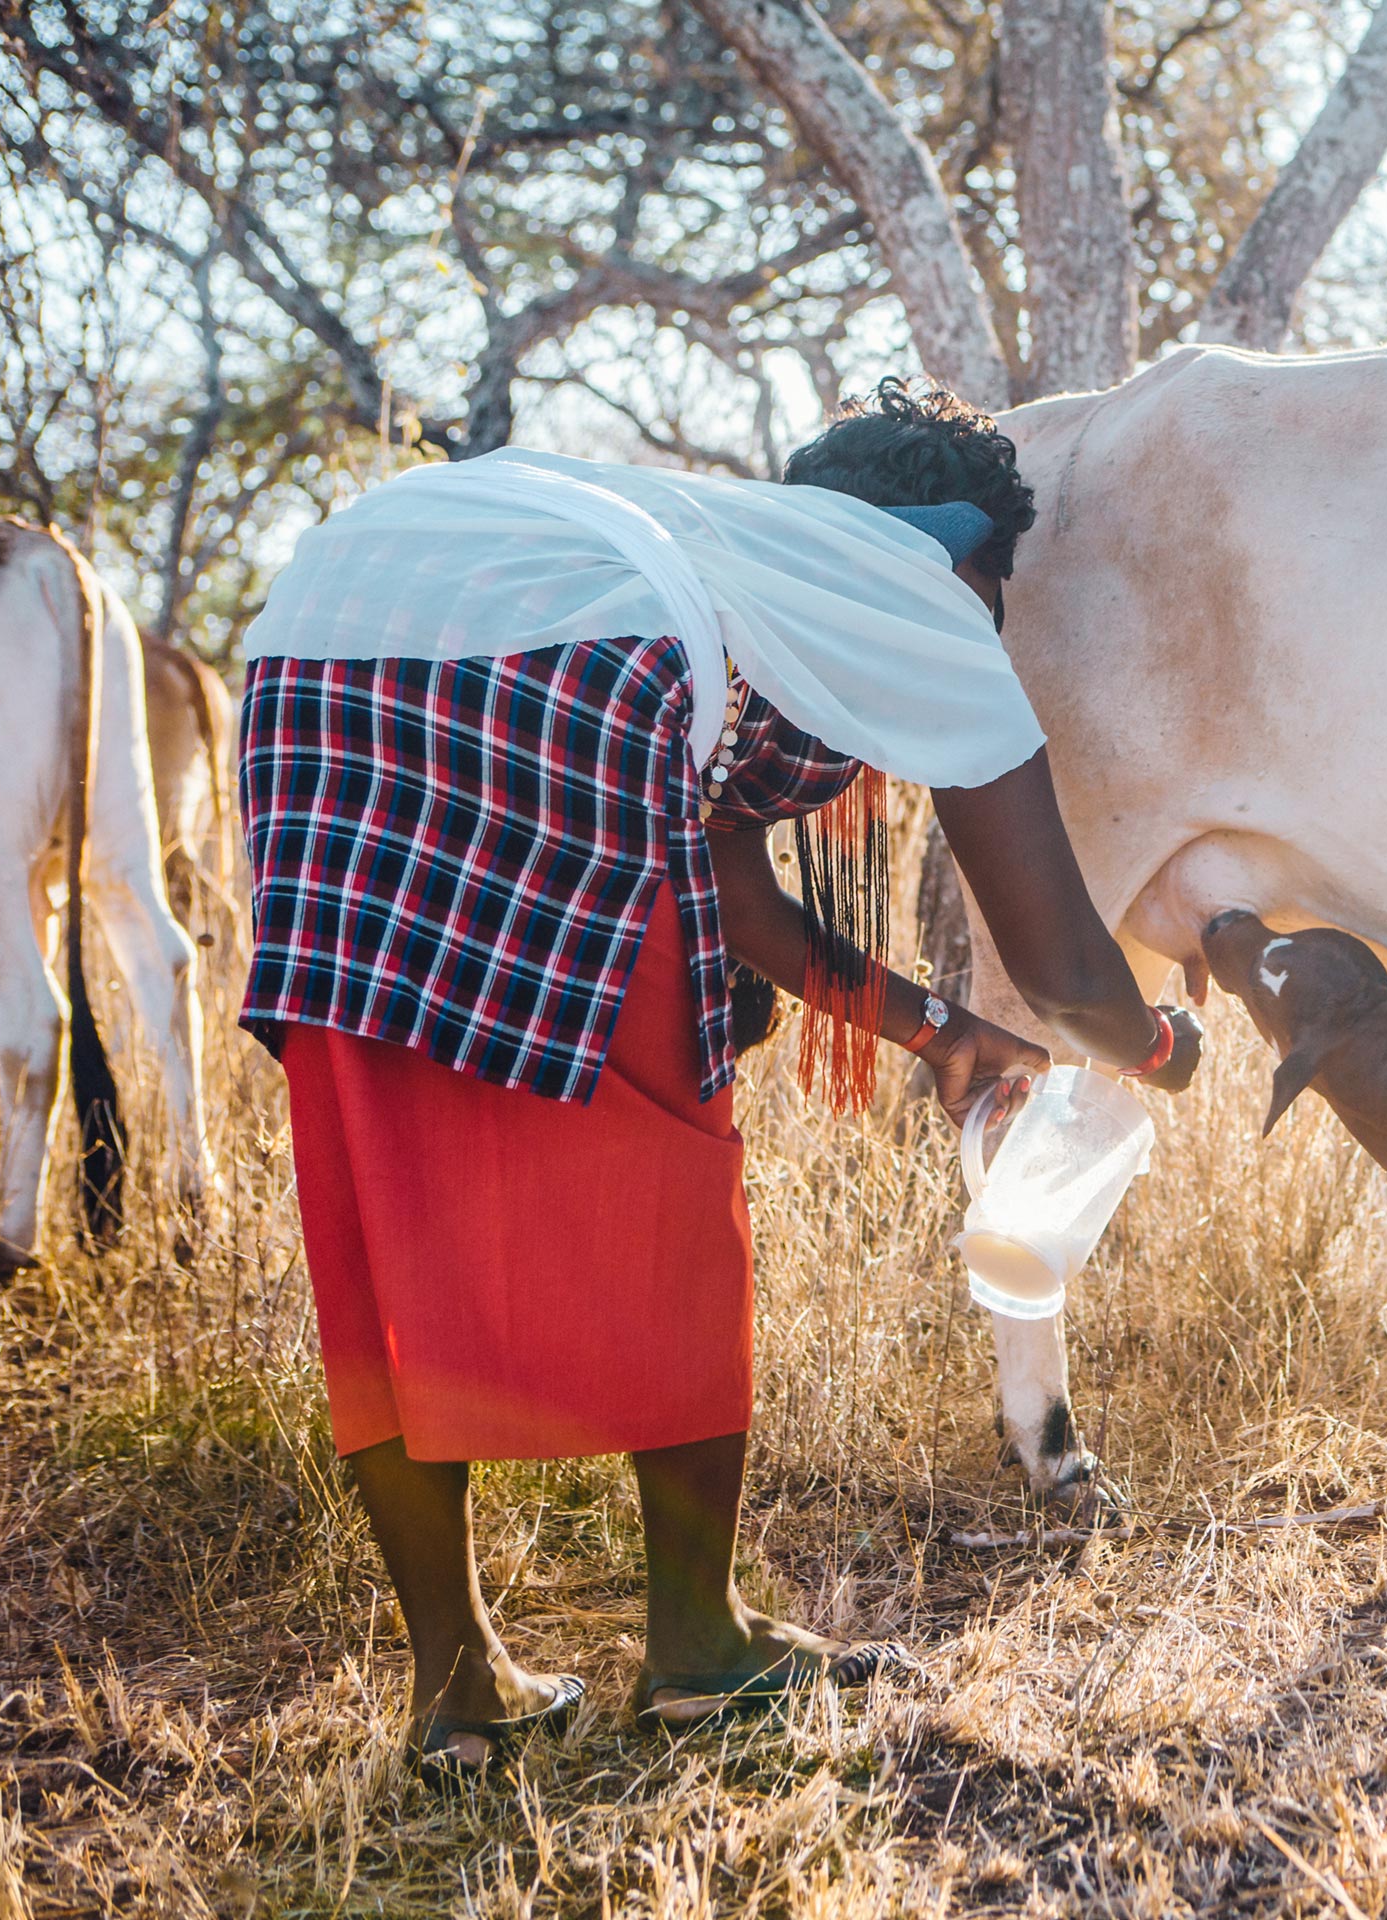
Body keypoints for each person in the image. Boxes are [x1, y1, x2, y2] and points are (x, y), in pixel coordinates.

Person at [235, 380, 1199, 1782]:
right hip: (563, 678)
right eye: (996, 587)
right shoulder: (917, 585)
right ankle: (697, 1643)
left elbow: (734, 890)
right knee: (666, 1200)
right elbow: (1061, 971)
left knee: (389, 1189)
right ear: (970, 555)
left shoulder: (729, 546)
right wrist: (1162, 1046)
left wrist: (933, 1030)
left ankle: (457, 1689)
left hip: (314, 664)